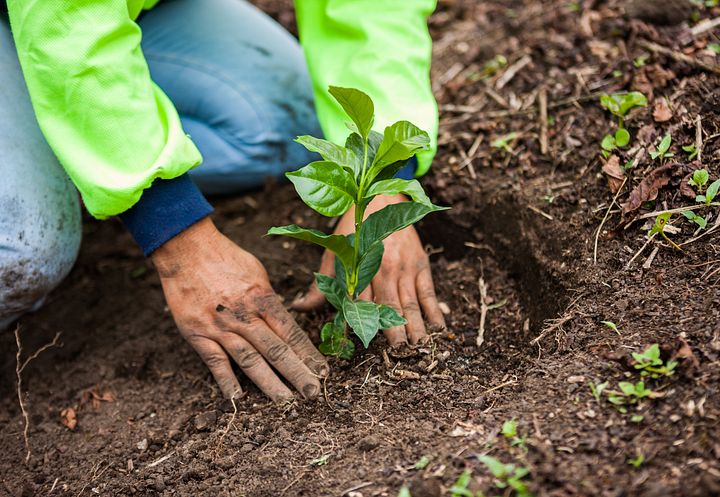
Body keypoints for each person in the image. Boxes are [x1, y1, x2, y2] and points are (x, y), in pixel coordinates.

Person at [0, 0, 445, 401]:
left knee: (287, 124)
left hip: (129, 10)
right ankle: (65, 153)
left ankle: (72, 144)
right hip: (55, 14)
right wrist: (175, 233)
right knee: (27, 250)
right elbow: (65, 23)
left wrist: (382, 181)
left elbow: (374, 11)